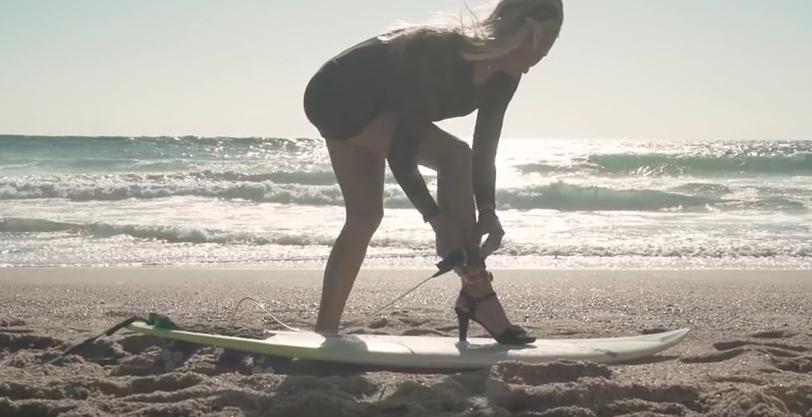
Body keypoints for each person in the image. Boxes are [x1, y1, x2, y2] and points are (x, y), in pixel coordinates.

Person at [303, 0, 563, 344]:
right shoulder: (439, 55)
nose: (529, 70)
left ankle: (325, 332)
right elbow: (401, 151)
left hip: (374, 103)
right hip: (335, 94)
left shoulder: (505, 77)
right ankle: (477, 293)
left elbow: (486, 146)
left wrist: (487, 209)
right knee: (454, 157)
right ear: (514, 35)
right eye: (533, 55)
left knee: (365, 217)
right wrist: (437, 220)